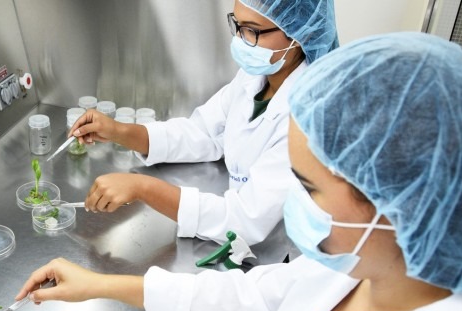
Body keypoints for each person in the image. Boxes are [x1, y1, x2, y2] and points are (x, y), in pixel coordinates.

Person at [0, 32, 462, 311]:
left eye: (309, 187)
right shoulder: (357, 264)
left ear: (395, 204)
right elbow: (255, 301)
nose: (291, 201)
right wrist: (101, 286)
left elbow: (250, 228)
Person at [69, 0, 338, 263]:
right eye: (238, 24)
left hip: (279, 258)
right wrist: (119, 131)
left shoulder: (310, 116)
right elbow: (204, 132)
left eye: (253, 30)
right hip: (235, 243)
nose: (241, 40)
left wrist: (143, 187)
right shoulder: (256, 76)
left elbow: (245, 220)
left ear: (301, 34)